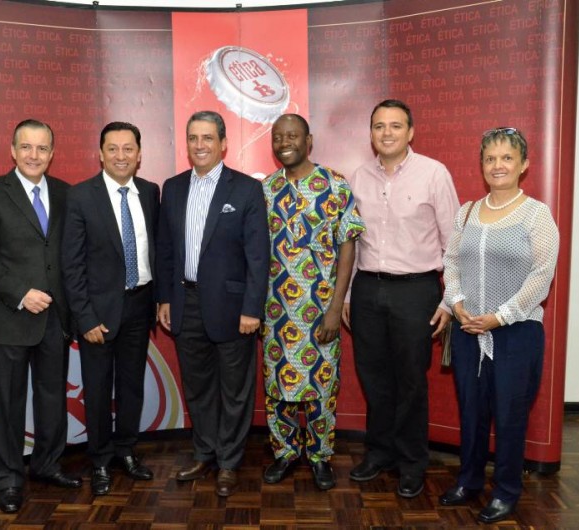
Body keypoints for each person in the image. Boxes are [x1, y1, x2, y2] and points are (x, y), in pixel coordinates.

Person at [438, 128, 559, 523]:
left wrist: (500, 316)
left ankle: (506, 490)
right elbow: (452, 261)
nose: (498, 165)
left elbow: (542, 275)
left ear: (524, 165)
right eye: (490, 159)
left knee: (509, 414)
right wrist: (456, 304)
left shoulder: (536, 214)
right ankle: (469, 480)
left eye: (507, 158)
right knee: (472, 411)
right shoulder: (468, 211)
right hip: (469, 328)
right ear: (482, 165)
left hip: (515, 332)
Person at [344, 99, 459, 498]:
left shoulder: (433, 174)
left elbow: (454, 243)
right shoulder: (358, 177)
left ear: (410, 132)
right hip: (367, 289)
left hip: (416, 289)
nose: (386, 133)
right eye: (379, 126)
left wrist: (449, 301)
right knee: (374, 379)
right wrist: (347, 294)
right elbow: (353, 241)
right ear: (371, 133)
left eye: (395, 126)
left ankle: (412, 462)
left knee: (410, 381)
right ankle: (379, 454)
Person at [0, 119, 81, 514]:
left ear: (52, 153)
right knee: (8, 406)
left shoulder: (68, 195)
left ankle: (48, 465)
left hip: (55, 320)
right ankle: (9, 480)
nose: (34, 155)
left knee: (53, 401)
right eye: (26, 147)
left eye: (42, 148)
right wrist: (20, 293)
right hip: (8, 319)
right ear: (12, 150)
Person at [156, 110, 270, 497]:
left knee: (235, 389)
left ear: (223, 143)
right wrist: (165, 298)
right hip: (184, 302)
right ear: (186, 143)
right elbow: (166, 250)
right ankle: (204, 453)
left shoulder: (246, 190)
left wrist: (252, 309)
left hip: (234, 308)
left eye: (207, 138)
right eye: (193, 138)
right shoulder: (171, 188)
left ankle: (229, 462)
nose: (200, 145)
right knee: (199, 386)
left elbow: (258, 255)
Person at [261, 114, 365, 490]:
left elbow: (348, 243)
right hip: (275, 313)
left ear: (309, 140)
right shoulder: (266, 189)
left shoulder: (334, 184)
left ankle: (320, 457)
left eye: (292, 135)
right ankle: (286, 453)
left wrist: (337, 307)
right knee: (278, 388)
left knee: (321, 388)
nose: (284, 142)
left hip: (321, 309)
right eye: (278, 136)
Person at [61, 122, 159, 495]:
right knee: (98, 389)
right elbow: (72, 264)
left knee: (132, 386)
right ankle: (100, 460)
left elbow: (158, 249)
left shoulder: (150, 192)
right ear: (100, 154)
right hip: (97, 313)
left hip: (139, 304)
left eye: (128, 148)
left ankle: (127, 451)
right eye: (113, 149)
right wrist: (84, 316)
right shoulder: (81, 196)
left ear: (139, 154)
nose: (121, 155)